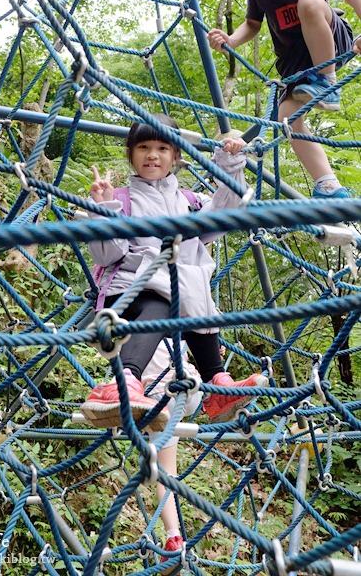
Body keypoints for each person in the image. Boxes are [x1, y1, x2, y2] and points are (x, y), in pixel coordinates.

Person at [80, 114, 267, 431]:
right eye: (144, 147)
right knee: (165, 297)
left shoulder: (189, 203)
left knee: (196, 299)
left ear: (176, 156)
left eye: (162, 148)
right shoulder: (121, 200)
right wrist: (103, 210)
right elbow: (107, 254)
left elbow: (225, 215)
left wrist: (231, 165)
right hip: (128, 298)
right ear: (132, 154)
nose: (152, 155)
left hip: (180, 297)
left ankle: (217, 383)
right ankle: (124, 380)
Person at [208, 0, 361, 199]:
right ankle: (327, 184)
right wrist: (230, 41)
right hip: (296, 63)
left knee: (310, 1)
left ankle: (328, 82)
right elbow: (252, 24)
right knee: (286, 117)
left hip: (330, 42)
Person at [142, 338, 206, 570]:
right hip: (189, 389)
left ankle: (173, 537)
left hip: (155, 396)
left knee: (165, 472)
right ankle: (216, 398)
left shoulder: (136, 318)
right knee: (167, 470)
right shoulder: (181, 310)